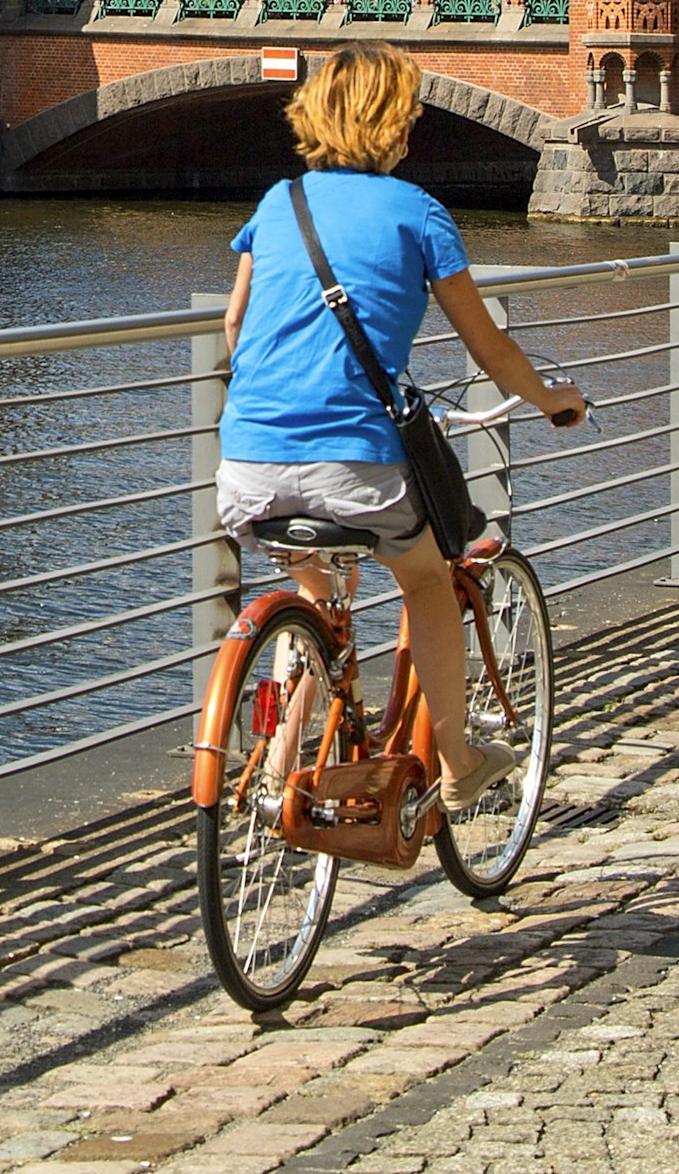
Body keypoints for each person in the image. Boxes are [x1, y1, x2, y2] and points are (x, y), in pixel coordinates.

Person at [218, 42, 583, 801]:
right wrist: (551, 398)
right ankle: (456, 763)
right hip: (355, 469)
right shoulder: (419, 213)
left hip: (247, 464)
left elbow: (234, 327)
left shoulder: (278, 203)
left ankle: (282, 764)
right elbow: (489, 350)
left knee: (316, 593)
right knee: (426, 579)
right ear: (396, 127)